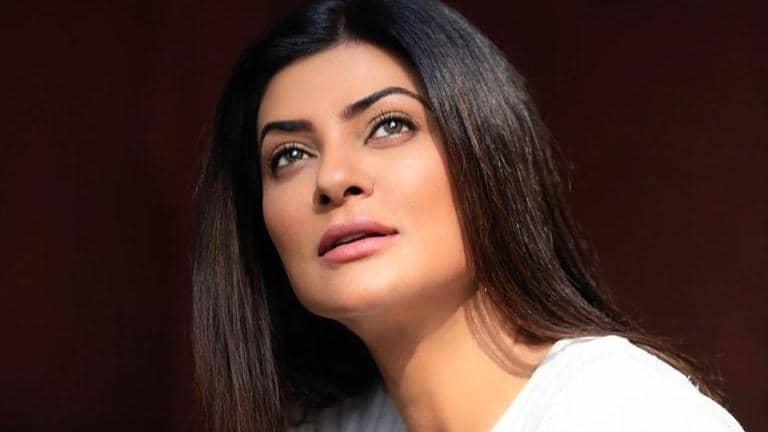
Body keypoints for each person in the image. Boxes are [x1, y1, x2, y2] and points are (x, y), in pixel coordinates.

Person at [192, 0, 746, 431]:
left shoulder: (628, 413)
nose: (333, 179)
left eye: (389, 126)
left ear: (487, 154)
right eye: (289, 155)